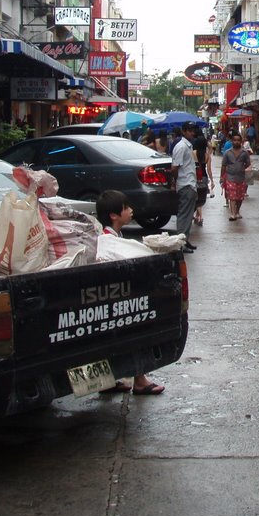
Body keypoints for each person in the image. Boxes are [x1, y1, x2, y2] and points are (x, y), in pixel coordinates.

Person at [96, 189, 164, 396]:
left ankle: (106, 381)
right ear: (114, 215)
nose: (131, 210)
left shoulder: (112, 235)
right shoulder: (107, 239)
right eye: (126, 208)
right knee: (136, 332)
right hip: (117, 297)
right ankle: (140, 381)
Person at [170, 124, 198, 252]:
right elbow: (175, 168)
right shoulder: (181, 147)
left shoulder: (187, 146)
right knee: (184, 215)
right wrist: (175, 182)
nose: (192, 133)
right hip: (185, 184)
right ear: (184, 131)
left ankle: (184, 240)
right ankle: (180, 243)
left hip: (189, 184)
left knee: (188, 215)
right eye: (190, 131)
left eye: (193, 131)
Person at [220, 132, 250, 220]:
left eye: (238, 140)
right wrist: (222, 177)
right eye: (234, 140)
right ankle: (232, 214)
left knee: (240, 197)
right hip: (230, 177)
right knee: (232, 196)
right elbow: (223, 166)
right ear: (232, 141)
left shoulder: (244, 153)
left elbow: (248, 164)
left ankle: (237, 211)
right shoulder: (227, 153)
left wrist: (242, 168)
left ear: (241, 141)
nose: (236, 142)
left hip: (241, 178)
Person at [191, 124, 214, 226]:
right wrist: (212, 180)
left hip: (194, 177)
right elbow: (208, 169)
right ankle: (199, 216)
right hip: (204, 178)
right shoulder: (207, 156)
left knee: (195, 197)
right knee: (201, 198)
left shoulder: (193, 153)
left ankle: (199, 216)